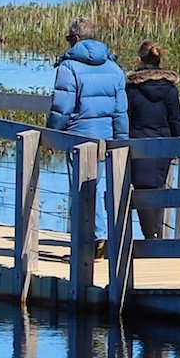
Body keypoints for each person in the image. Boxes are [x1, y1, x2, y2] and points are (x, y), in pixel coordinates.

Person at [49, 15, 129, 236]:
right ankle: (99, 236)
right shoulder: (114, 69)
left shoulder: (68, 67)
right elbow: (120, 112)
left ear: (75, 38)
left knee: (79, 190)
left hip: (77, 136)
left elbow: (62, 107)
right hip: (104, 138)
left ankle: (89, 240)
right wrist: (121, 142)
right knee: (95, 186)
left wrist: (52, 135)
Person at [125, 40, 180, 239]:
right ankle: (155, 235)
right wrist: (179, 144)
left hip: (138, 144)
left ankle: (150, 235)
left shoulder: (132, 89)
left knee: (142, 188)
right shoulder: (170, 90)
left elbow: (126, 117)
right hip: (163, 144)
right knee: (158, 187)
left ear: (140, 59)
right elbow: (175, 119)